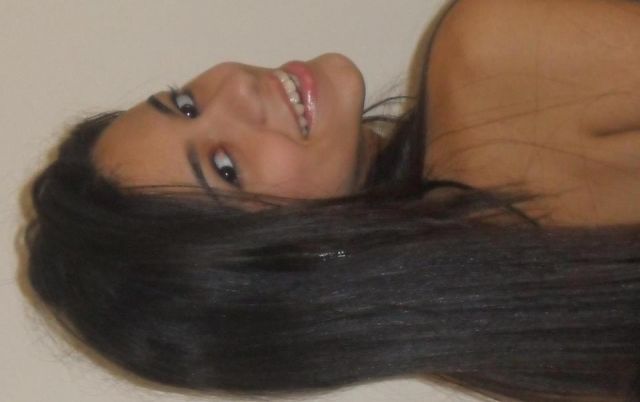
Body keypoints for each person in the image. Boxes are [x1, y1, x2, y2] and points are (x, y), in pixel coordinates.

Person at [24, 0, 640, 401]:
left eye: (185, 104)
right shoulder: (490, 56)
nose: (236, 90)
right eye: (225, 167)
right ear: (291, 262)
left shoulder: (535, 355)